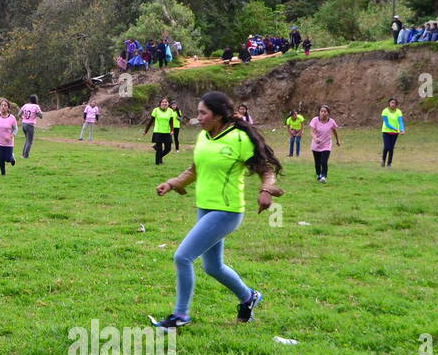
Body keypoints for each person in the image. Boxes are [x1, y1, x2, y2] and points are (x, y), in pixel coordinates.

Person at [152, 91, 284, 329]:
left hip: (227, 211)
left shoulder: (239, 139)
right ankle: (249, 297)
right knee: (213, 267)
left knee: (182, 257)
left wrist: (266, 190)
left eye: (203, 113)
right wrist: (173, 183)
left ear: (219, 115)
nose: (198, 117)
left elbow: (265, 169)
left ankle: (180, 315)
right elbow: (195, 169)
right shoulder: (203, 137)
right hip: (205, 208)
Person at [308, 105, 341, 183]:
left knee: (324, 161)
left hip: (326, 145)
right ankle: (319, 174)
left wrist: (337, 140)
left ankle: (324, 176)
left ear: (328, 113)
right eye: (321, 111)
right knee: (317, 162)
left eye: (325, 111)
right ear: (319, 112)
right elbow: (311, 131)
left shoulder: (331, 122)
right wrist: (315, 138)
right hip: (316, 145)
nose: (323, 113)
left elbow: (334, 131)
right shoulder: (315, 120)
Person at [143, 97, 176, 165]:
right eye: (163, 102)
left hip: (167, 132)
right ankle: (157, 163)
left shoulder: (170, 111)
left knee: (168, 149)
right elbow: (151, 121)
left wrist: (172, 130)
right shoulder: (156, 110)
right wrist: (146, 131)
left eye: (166, 102)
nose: (164, 103)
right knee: (159, 149)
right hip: (158, 132)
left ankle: (158, 157)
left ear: (168, 103)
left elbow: (171, 122)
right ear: (160, 103)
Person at [0, 100, 18, 175]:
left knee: (7, 159)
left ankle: (11, 157)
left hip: (8, 142)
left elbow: (16, 129)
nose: (3, 107)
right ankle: (3, 173)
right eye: (2, 105)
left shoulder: (12, 118)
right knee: (1, 157)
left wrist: (11, 136)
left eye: (5, 105)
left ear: (8, 108)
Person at [381, 97, 405, 167]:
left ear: (396, 104)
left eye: (394, 103)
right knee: (386, 147)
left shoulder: (398, 112)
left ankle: (389, 163)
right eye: (391, 102)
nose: (393, 104)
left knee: (391, 148)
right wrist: (395, 128)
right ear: (389, 103)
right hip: (386, 131)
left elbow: (400, 122)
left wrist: (402, 129)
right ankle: (383, 160)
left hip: (395, 133)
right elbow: (386, 123)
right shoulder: (385, 111)